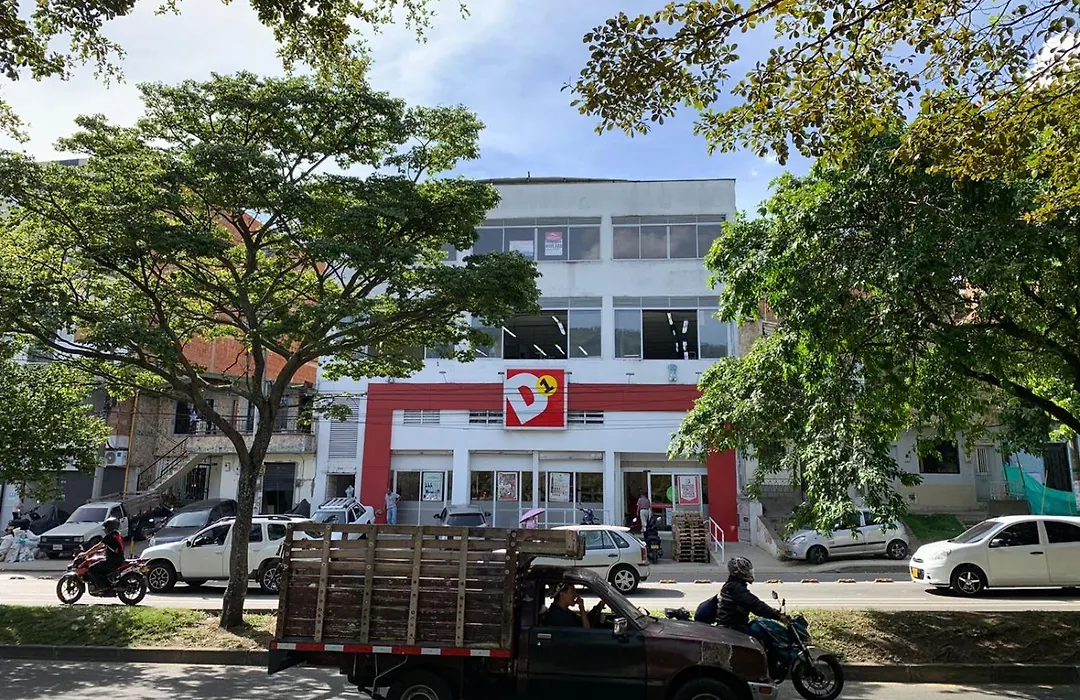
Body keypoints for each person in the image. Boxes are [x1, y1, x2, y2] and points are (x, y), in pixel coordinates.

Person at [697, 556, 789, 652]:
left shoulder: (731, 585)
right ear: (738, 572)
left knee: (759, 628)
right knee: (763, 637)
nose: (749, 573)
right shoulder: (735, 588)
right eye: (746, 570)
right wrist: (777, 616)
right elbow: (755, 605)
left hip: (732, 627)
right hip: (733, 629)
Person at [84, 518, 125, 591]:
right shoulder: (118, 535)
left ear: (110, 527)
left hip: (112, 561)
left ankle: (103, 586)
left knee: (92, 568)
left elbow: (98, 546)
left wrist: (86, 553)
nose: (105, 529)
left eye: (106, 527)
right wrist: (98, 552)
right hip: (119, 559)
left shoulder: (109, 537)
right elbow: (111, 547)